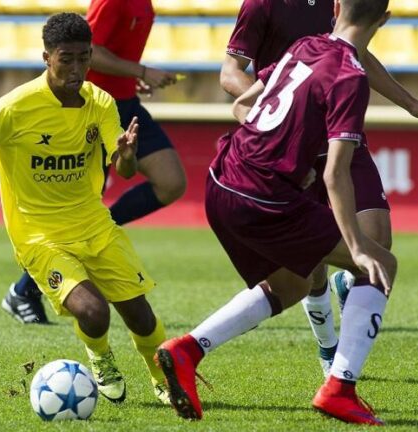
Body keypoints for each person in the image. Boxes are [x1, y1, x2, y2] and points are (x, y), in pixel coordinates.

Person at [156, 0, 399, 424]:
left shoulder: (305, 46)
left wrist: (276, 149)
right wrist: (358, 247)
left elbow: (241, 105)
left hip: (222, 179)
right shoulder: (350, 77)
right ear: (383, 21)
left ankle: (186, 350)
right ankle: (339, 387)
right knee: (379, 263)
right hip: (264, 196)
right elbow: (336, 173)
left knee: (294, 283)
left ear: (336, 7)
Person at [0, 13, 170, 405]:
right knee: (94, 312)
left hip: (94, 224)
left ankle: (162, 377)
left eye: (84, 58)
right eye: (66, 59)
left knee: (142, 316)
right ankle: (100, 359)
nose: (77, 68)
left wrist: (127, 156)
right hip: (40, 236)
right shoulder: (16, 107)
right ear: (46, 58)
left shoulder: (99, 102)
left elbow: (124, 168)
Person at [219, 0, 418, 376]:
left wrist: (410, 103)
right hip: (290, 143)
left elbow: (358, 53)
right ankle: (328, 349)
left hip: (338, 134)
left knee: (377, 240)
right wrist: (273, 115)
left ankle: (348, 283)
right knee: (310, 267)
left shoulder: (338, 2)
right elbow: (230, 73)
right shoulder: (262, 4)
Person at [1, 0, 186, 325]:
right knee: (81, 207)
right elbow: (92, 51)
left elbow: (111, 52)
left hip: (126, 103)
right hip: (91, 107)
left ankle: (93, 238)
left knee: (171, 183)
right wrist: (141, 70)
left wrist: (132, 76)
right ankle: (23, 290)